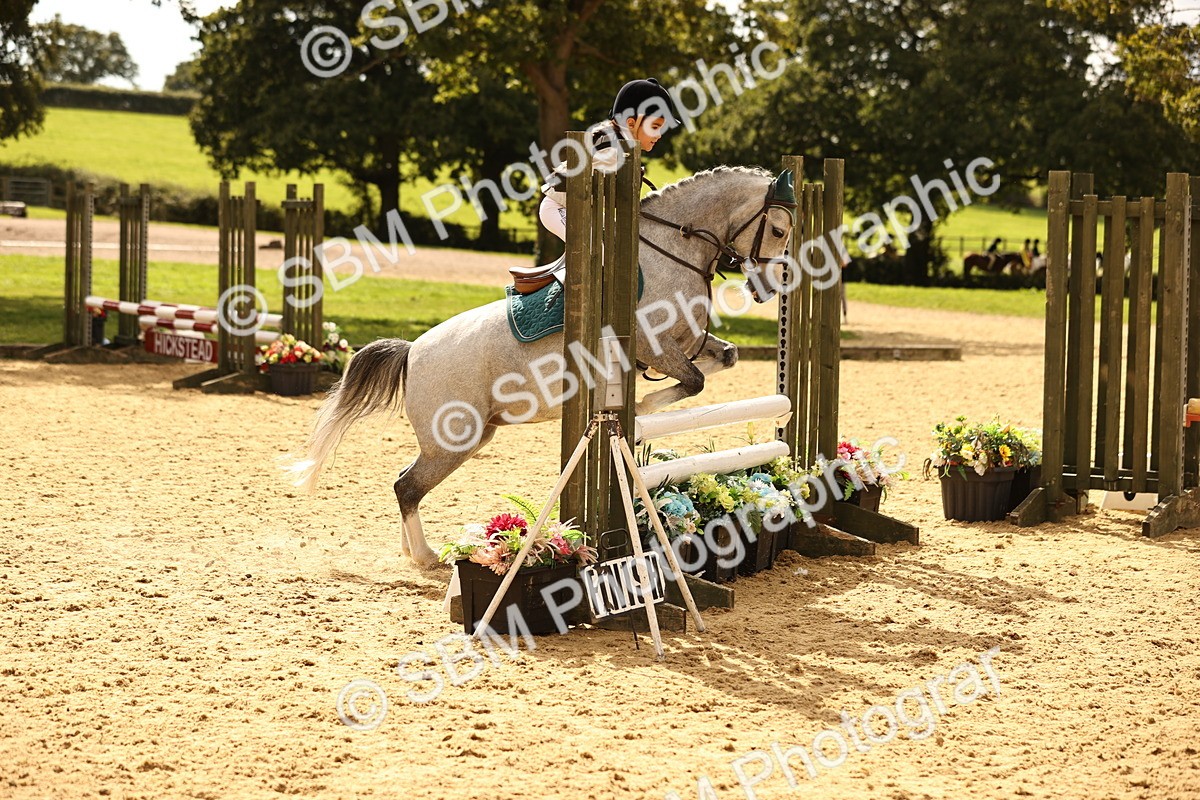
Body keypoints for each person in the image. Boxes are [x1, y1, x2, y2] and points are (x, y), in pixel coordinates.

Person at [538, 78, 676, 245]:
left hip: (583, 210)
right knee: (599, 252)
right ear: (631, 123)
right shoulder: (612, 152)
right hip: (559, 208)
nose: (659, 135)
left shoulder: (620, 146)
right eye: (655, 127)